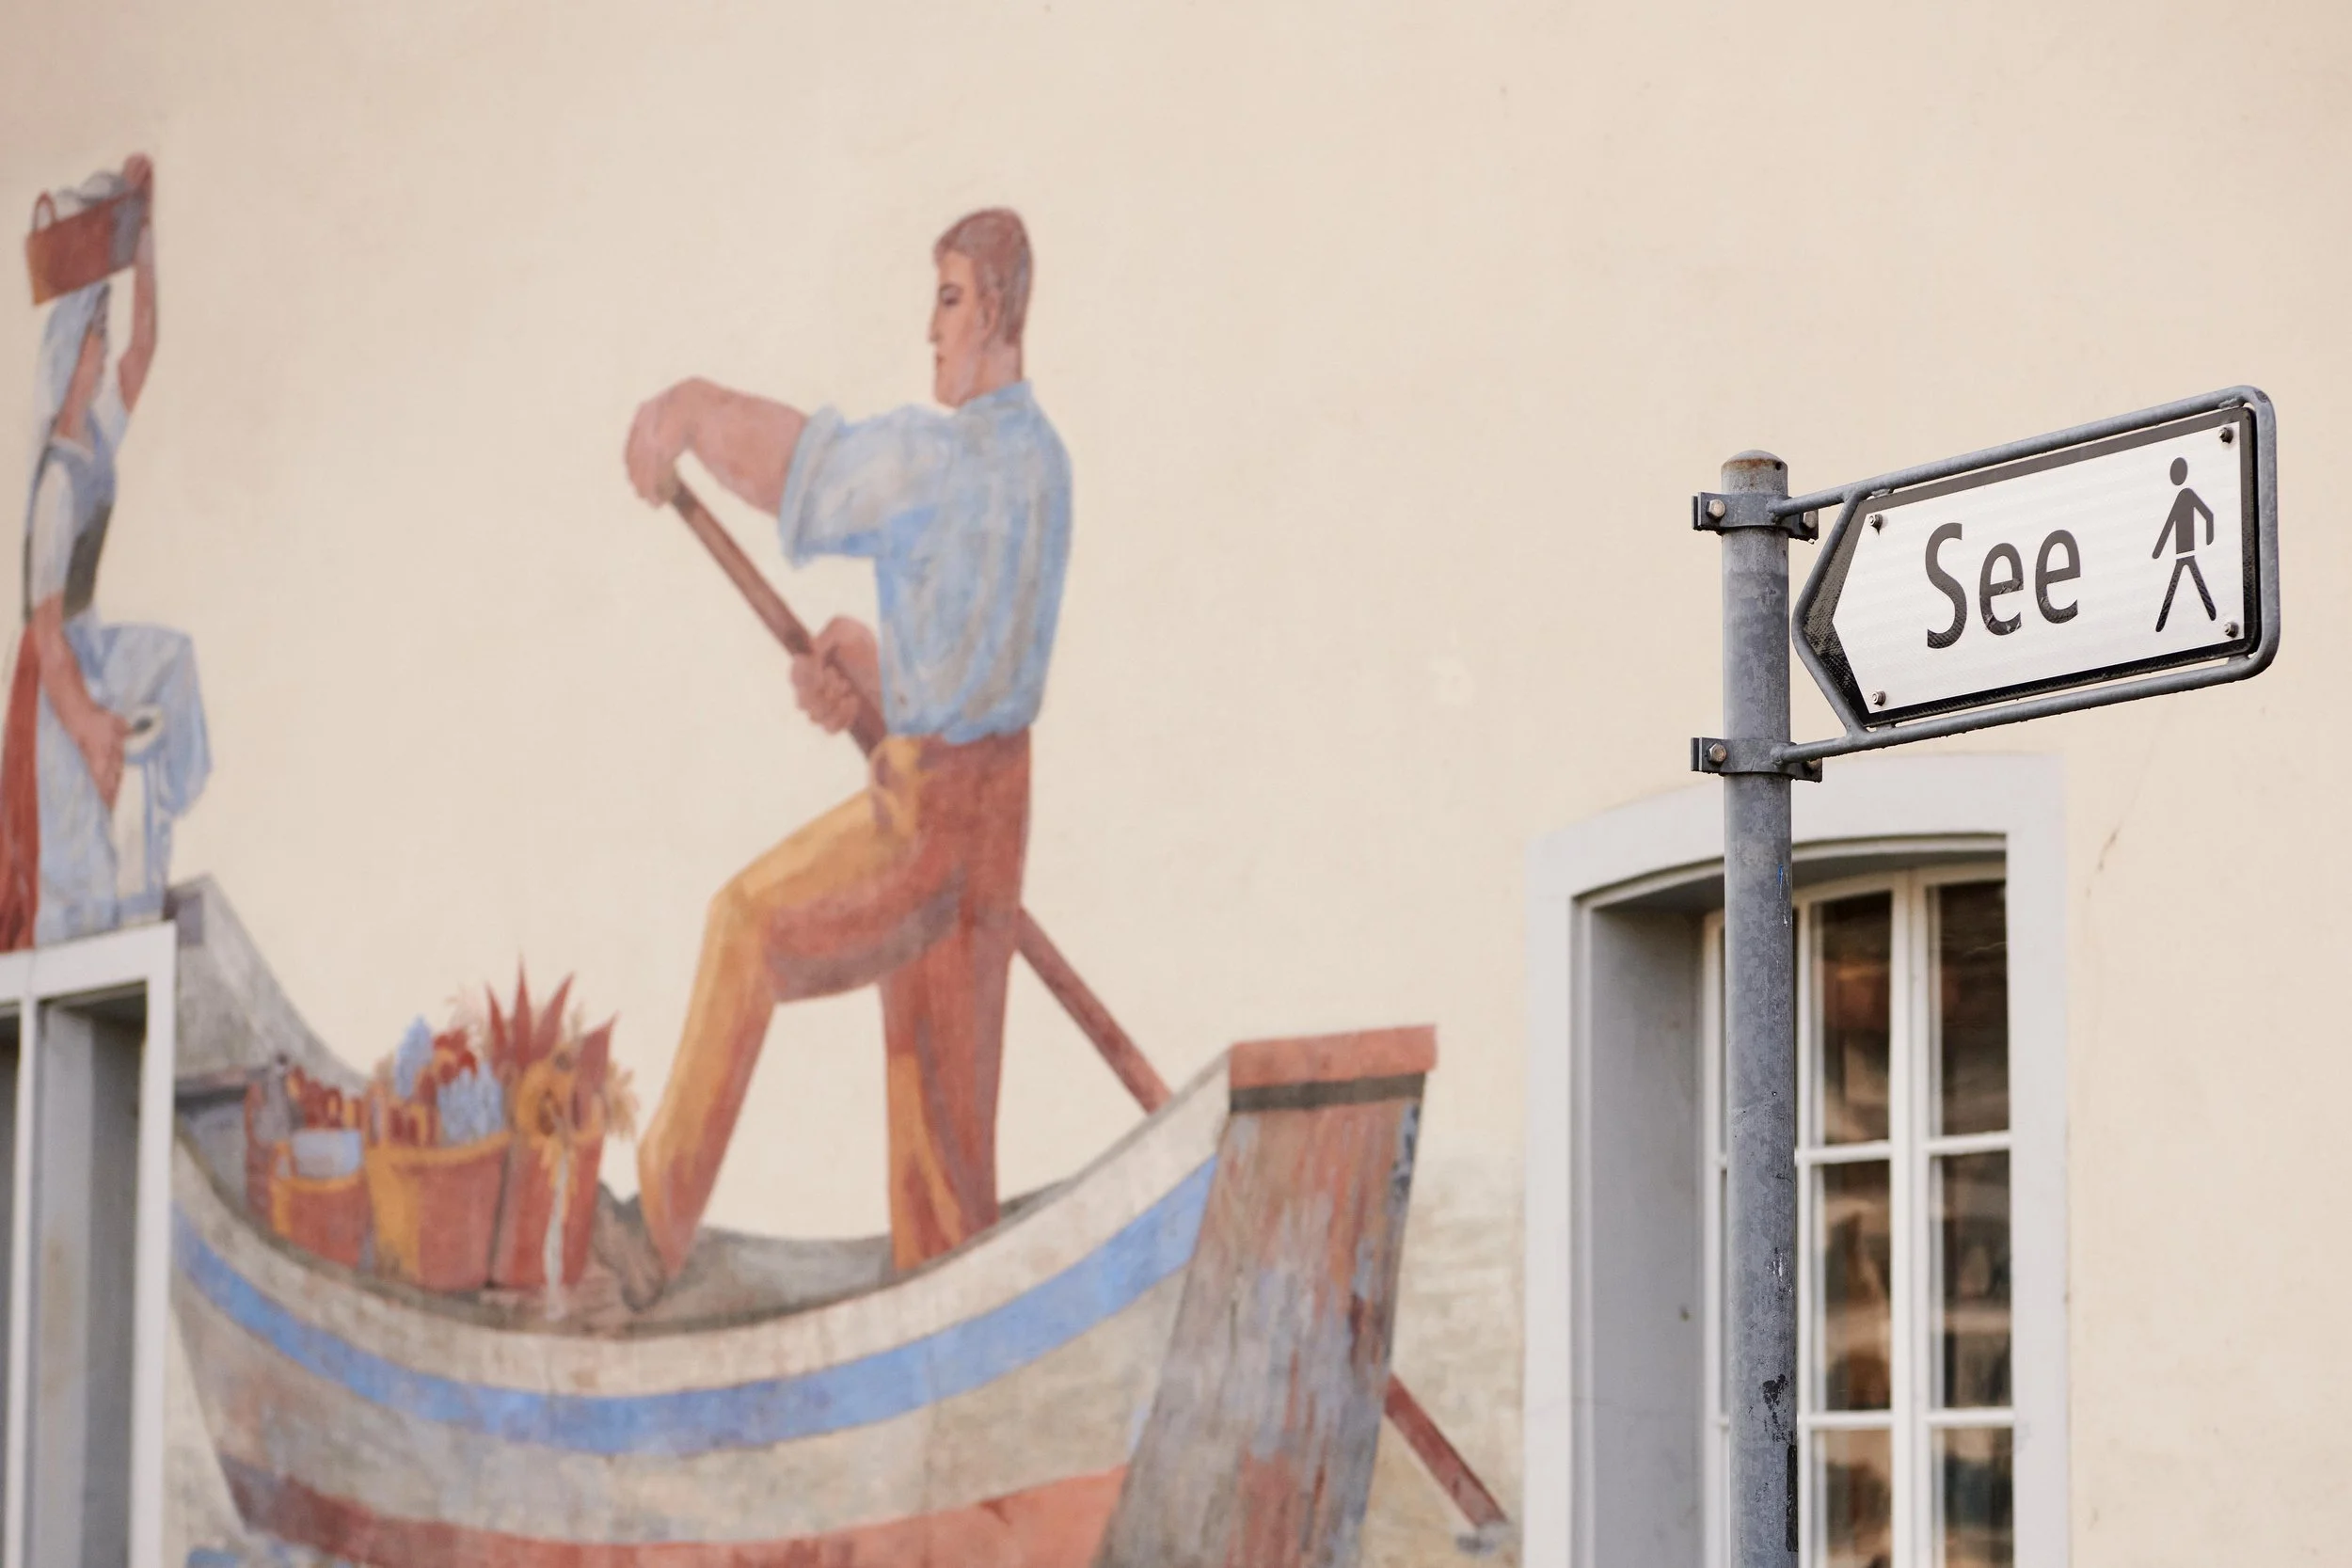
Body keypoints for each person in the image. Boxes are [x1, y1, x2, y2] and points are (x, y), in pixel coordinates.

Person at [602, 209, 1070, 1304]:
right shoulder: (1042, 462)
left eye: (948, 299)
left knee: (747, 926)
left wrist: (690, 409)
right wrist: (873, 670)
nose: (932, 328)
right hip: (995, 813)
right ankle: (946, 1340)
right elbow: (969, 666)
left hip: (927, 822)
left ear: (992, 308)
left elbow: (803, 470)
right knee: (945, 1161)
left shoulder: (940, 459)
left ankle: (646, 1239)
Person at [2, 156, 211, 948]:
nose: (105, 347)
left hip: (88, 642)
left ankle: (156, 807)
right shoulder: (58, 480)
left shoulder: (99, 437)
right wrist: (88, 723)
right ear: (68, 353)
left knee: (173, 660)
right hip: (53, 666)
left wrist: (143, 234)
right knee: (75, 870)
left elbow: (147, 347)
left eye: (103, 331)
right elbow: (48, 636)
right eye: (95, 333)